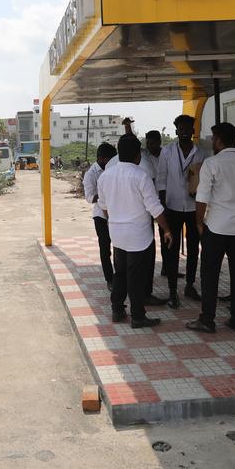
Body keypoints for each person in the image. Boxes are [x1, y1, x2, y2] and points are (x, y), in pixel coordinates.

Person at [98, 134, 173, 328]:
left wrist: (115, 220)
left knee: (120, 273)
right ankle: (138, 316)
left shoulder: (105, 176)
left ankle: (117, 309)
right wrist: (166, 229)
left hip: (117, 233)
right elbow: (155, 208)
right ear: (137, 156)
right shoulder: (141, 176)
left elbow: (104, 207)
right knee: (136, 277)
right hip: (139, 236)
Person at [189, 123, 235, 334]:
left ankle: (207, 319)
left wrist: (199, 223)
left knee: (210, 273)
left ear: (219, 140)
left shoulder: (212, 163)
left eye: (213, 138)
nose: (212, 142)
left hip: (216, 227)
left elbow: (202, 197)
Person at [156, 114, 208, 308]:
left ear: (193, 131)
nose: (185, 132)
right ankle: (172, 290)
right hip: (172, 206)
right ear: (176, 131)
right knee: (172, 249)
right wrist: (162, 205)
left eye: (188, 129)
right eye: (181, 129)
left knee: (194, 247)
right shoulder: (167, 152)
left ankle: (190, 285)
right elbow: (161, 179)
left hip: (194, 207)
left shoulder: (200, 153)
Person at [138, 130, 168, 306]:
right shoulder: (144, 157)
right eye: (148, 143)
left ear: (159, 142)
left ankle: (165, 266)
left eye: (153, 143)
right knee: (149, 243)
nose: (151, 146)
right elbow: (132, 144)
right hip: (149, 205)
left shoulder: (166, 155)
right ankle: (145, 294)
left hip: (163, 201)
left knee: (165, 238)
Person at [83, 143, 118, 290]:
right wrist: (105, 195)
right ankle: (109, 279)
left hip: (116, 214)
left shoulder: (115, 169)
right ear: (102, 159)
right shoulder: (91, 174)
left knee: (119, 247)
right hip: (101, 216)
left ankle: (120, 277)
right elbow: (89, 197)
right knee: (105, 248)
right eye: (110, 160)